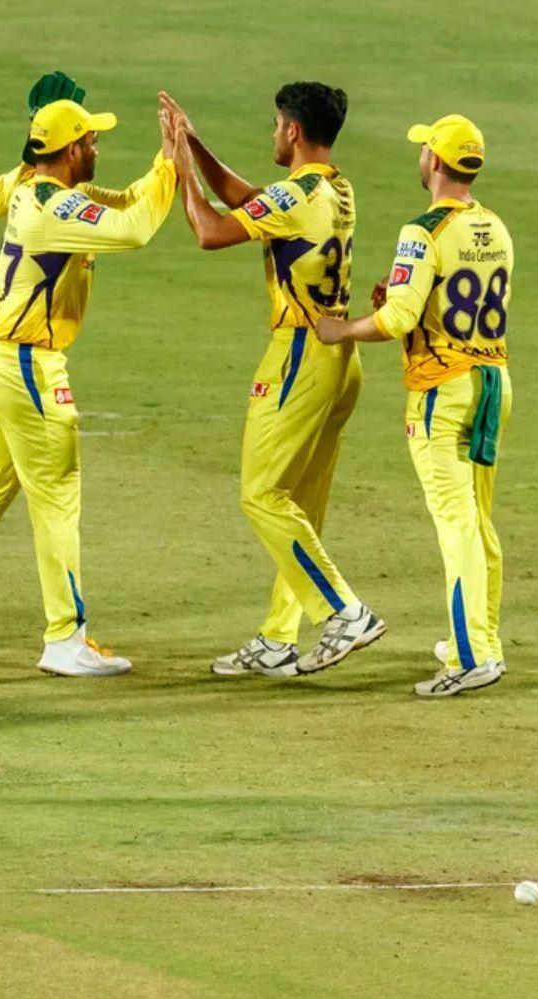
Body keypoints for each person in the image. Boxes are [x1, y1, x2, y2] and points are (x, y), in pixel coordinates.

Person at [0, 99, 176, 674]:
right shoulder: (53, 208)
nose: (98, 148)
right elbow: (135, 229)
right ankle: (64, 638)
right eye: (92, 141)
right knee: (57, 496)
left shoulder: (44, 192)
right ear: (71, 151)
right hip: (24, 361)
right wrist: (172, 166)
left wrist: (164, 158)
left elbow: (122, 203)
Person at [163, 84, 385, 678]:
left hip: (299, 357)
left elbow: (211, 229)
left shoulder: (297, 194)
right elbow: (253, 200)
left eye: (275, 125)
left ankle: (345, 611)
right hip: (340, 362)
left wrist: (182, 170)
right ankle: (278, 638)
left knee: (261, 496)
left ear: (291, 131)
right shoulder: (333, 187)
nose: (272, 134)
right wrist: (195, 142)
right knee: (301, 507)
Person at [316, 115, 512, 697]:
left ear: (435, 161)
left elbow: (401, 317)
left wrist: (343, 330)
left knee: (456, 529)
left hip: (442, 394)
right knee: (478, 524)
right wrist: (403, 298)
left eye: (426, 148)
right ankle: (481, 642)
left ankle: (471, 657)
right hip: (492, 383)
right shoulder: (495, 227)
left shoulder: (422, 231)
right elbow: (444, 302)